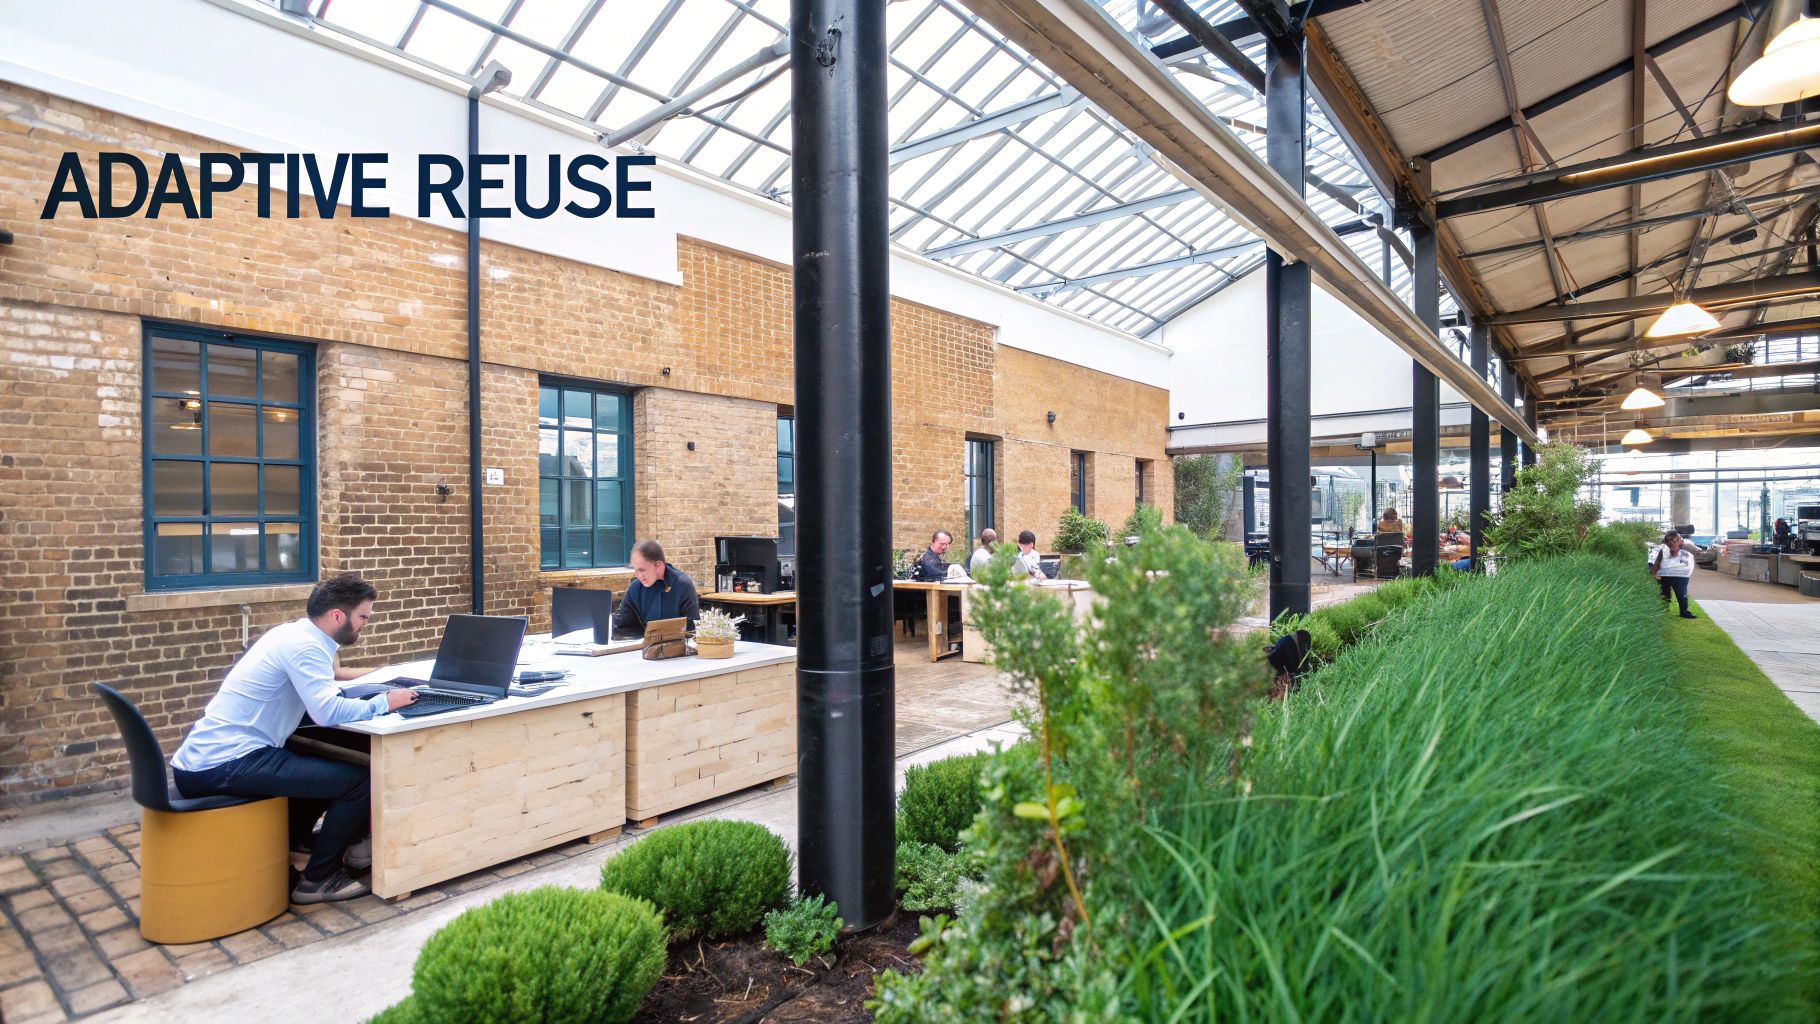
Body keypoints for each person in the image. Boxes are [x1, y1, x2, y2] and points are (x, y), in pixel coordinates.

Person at [170, 574, 417, 905]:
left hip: (209, 756)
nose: (364, 626)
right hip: (223, 764)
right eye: (363, 617)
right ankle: (318, 880)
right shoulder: (306, 647)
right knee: (359, 782)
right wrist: (387, 701)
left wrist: (382, 674)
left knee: (329, 765)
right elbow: (326, 712)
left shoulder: (293, 633)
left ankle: (296, 843)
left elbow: (326, 678)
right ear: (337, 617)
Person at [613, 539, 701, 634]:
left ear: (658, 566)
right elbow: (620, 625)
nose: (637, 576)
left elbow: (691, 630)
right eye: (635, 570)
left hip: (677, 646)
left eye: (641, 570)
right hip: (644, 646)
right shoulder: (635, 588)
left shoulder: (682, 585)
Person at [1652, 530, 1697, 619]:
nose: (1681, 539)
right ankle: (1663, 610)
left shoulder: (1686, 547)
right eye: (1679, 538)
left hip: (1681, 576)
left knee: (1681, 594)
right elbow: (1657, 562)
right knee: (1664, 594)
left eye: (1680, 538)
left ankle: (1684, 612)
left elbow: (1694, 552)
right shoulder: (1663, 550)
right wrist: (1654, 573)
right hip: (1665, 575)